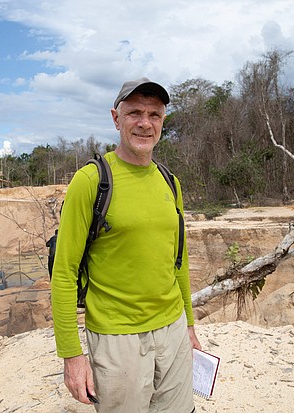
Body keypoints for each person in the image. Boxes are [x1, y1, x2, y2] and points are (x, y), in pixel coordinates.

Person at [50, 77, 201, 412]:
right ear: (116, 118)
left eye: (154, 114)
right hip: (117, 339)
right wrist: (72, 357)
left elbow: (179, 261)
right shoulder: (91, 181)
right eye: (134, 113)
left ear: (163, 122)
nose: (145, 123)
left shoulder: (170, 182)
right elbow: (63, 273)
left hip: (173, 329)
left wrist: (188, 326)